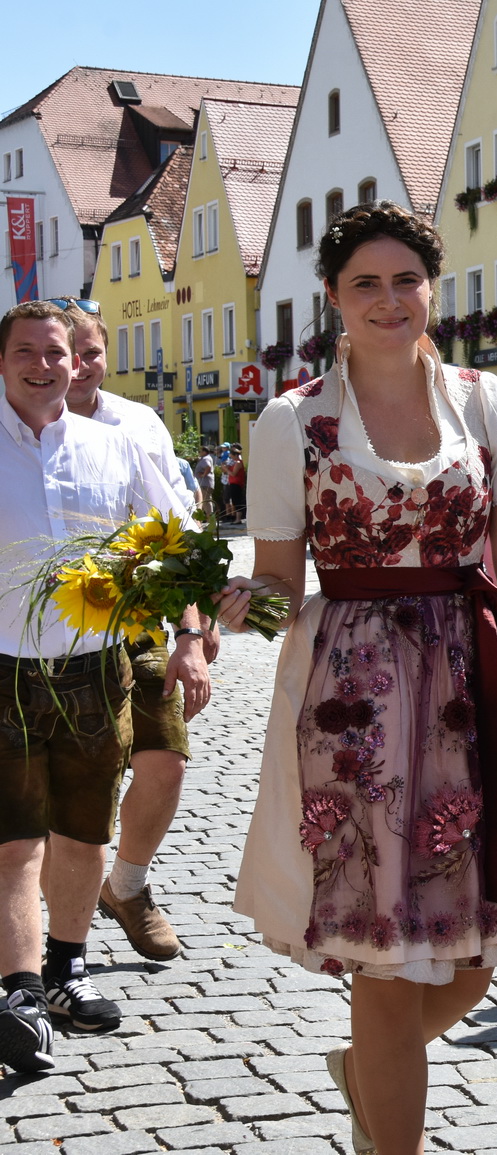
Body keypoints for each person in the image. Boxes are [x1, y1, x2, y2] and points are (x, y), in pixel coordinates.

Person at [215, 202, 497, 1154]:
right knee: (385, 960)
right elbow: (275, 575)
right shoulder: (291, 420)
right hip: (352, 704)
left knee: (468, 956)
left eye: (406, 280)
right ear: (334, 298)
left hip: (471, 685)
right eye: (366, 284)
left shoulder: (484, 399)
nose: (390, 300)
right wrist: (216, 610)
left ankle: (368, 1073)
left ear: (433, 286)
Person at [0, 300, 200, 1072]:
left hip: (94, 667)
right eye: (26, 351)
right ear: (4, 360)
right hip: (5, 669)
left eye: (56, 351)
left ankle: (64, 970)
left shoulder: (112, 448)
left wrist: (189, 637)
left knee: (84, 833)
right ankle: (18, 993)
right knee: (15, 839)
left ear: (75, 359)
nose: (45, 364)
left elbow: (172, 546)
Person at [62, 306, 211, 963]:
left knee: (166, 759)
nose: (79, 367)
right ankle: (56, 944)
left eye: (91, 352)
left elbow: (178, 531)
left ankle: (127, 886)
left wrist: (194, 629)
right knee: (72, 785)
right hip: (48, 630)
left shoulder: (138, 423)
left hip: (139, 615)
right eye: (67, 354)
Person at [193, 442, 216, 519]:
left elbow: (208, 467)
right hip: (204, 483)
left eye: (200, 451)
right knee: (203, 501)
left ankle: (210, 519)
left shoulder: (206, 459)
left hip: (205, 483)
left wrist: (203, 475)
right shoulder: (205, 458)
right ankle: (202, 518)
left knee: (206, 501)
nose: (199, 453)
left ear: (204, 452)